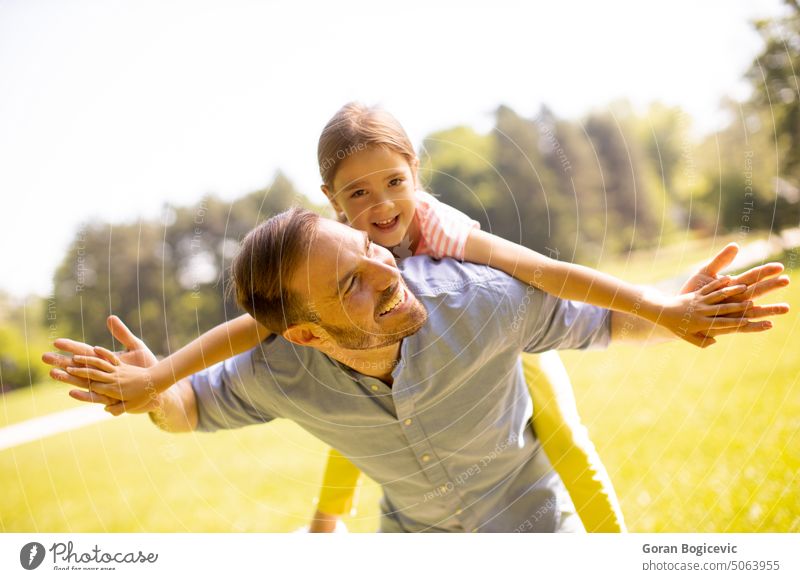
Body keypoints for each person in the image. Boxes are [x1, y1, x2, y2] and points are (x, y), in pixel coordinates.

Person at [48, 103, 775, 533]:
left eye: (392, 193)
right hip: (411, 524)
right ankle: (330, 514)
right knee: (350, 411)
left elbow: (562, 286)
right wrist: (159, 385)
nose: (383, 233)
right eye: (359, 198)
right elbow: (224, 364)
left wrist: (667, 305)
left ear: (417, 174)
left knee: (564, 436)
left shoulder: (470, 280)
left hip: (512, 429)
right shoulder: (289, 353)